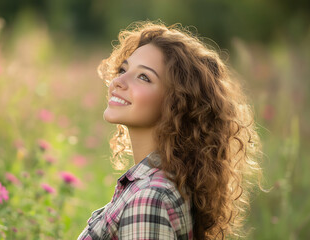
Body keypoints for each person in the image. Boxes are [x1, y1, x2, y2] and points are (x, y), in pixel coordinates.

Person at [78, 21, 263, 240]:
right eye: (123, 69)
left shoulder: (148, 198)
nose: (119, 81)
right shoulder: (162, 183)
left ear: (176, 103)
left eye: (144, 77)